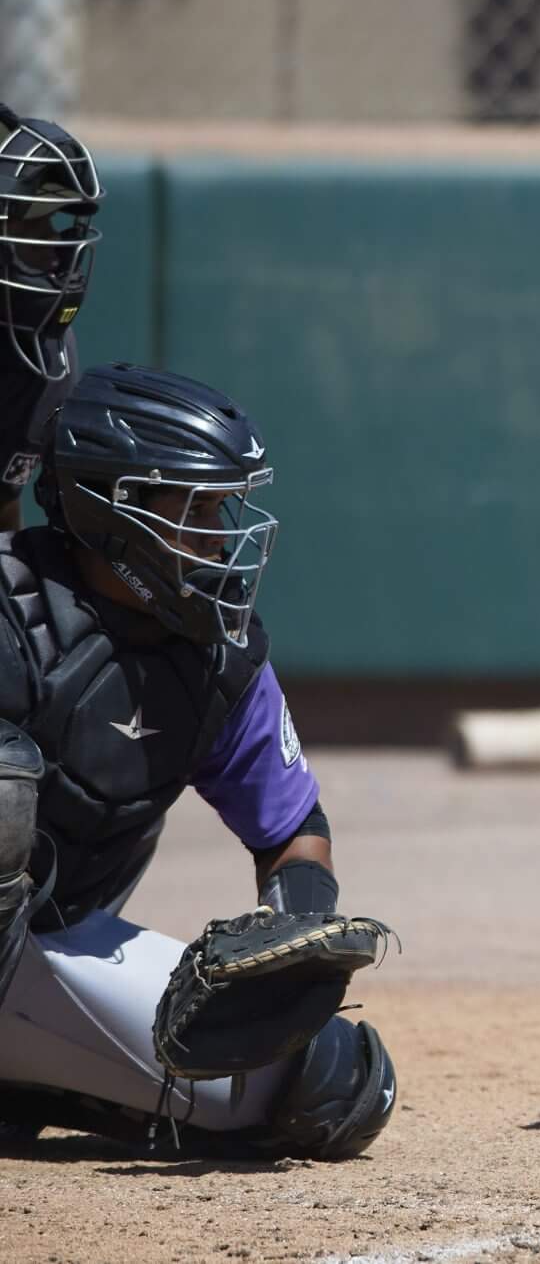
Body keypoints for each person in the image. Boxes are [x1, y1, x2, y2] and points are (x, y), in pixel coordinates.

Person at [0, 363, 396, 1158]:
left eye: (225, 506)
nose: (222, 535)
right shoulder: (12, 605)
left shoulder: (219, 654)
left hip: (54, 948)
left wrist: (291, 928)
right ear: (115, 507)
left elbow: (293, 827)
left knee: (330, 1084)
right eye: (197, 508)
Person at [0, 105, 100, 531]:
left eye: (51, 224)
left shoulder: (44, 356)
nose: (55, 250)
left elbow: (2, 506)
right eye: (31, 228)